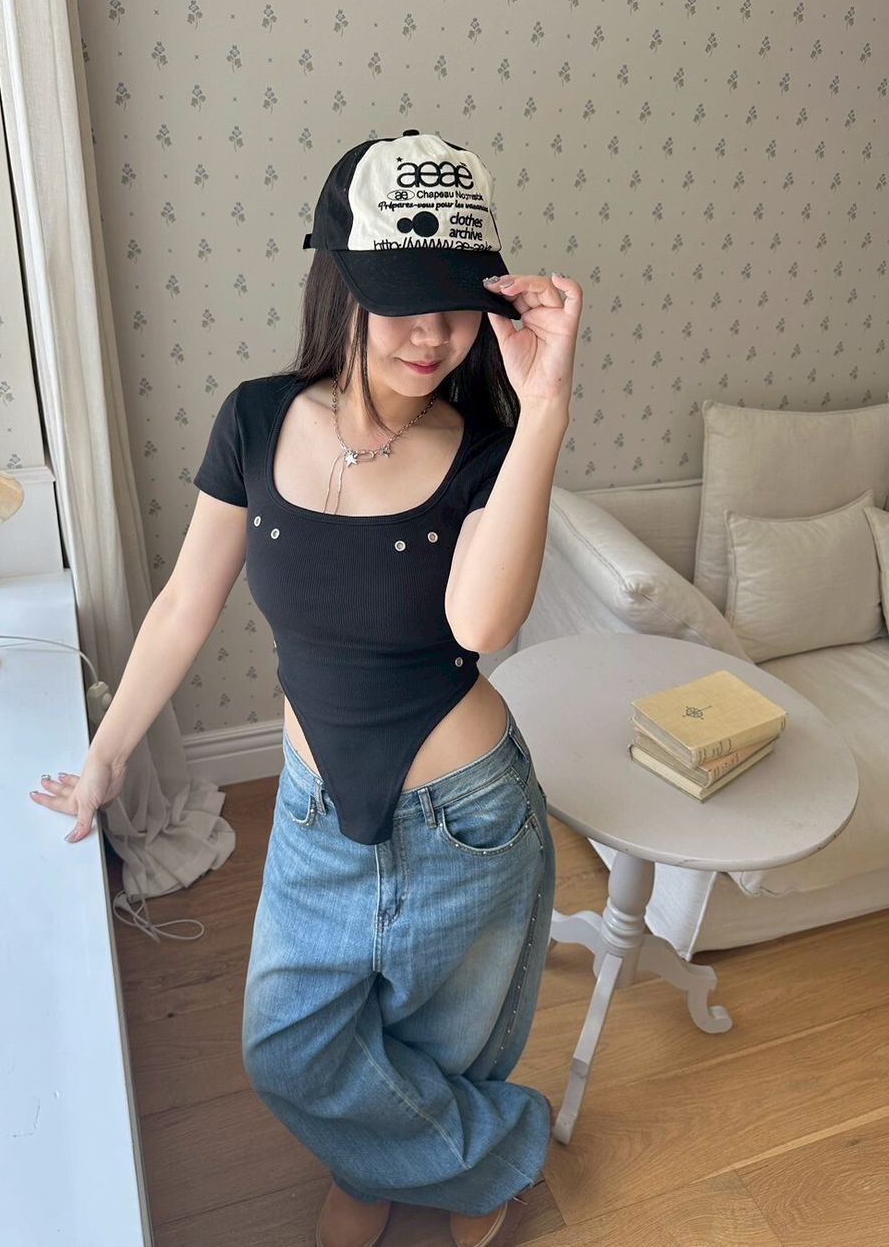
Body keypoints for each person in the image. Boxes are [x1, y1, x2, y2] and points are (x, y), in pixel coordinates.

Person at [29, 130, 581, 1247]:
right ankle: (490, 1162)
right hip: (314, 807)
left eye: (459, 304)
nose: (433, 335)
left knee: (443, 1038)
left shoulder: (489, 445)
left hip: (467, 820)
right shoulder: (253, 417)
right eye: (403, 301)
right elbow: (184, 603)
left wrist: (547, 411)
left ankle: (380, 1176)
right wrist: (106, 758)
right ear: (340, 283)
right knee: (287, 1044)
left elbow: (482, 625)